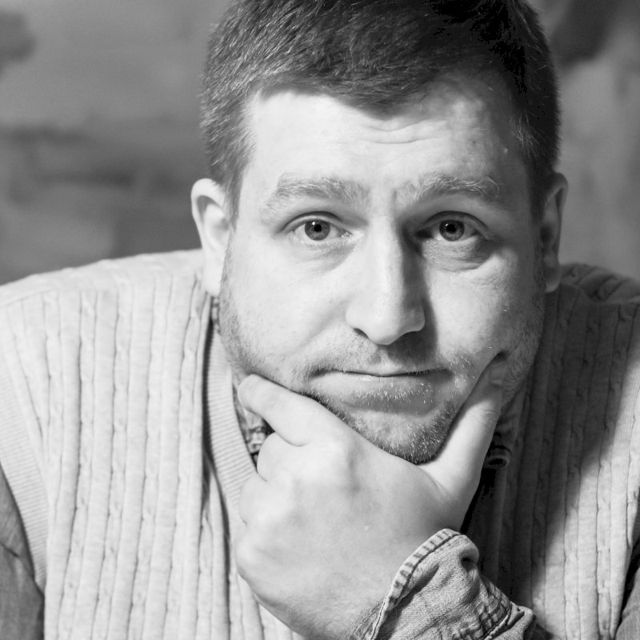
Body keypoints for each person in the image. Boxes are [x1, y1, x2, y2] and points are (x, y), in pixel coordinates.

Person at [1, 0, 640, 637]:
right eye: (316, 227)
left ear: (545, 236)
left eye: (452, 228)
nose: (387, 319)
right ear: (221, 240)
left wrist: (400, 595)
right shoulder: (22, 394)